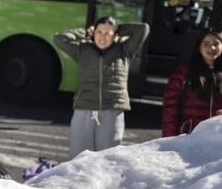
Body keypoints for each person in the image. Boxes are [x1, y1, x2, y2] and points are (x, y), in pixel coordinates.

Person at [53, 17, 150, 158]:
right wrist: (86, 32)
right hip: (83, 110)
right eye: (99, 32)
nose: (102, 37)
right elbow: (60, 39)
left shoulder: (125, 50)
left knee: (106, 160)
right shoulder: (82, 50)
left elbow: (143, 29)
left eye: (108, 33)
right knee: (78, 160)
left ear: (115, 35)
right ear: (94, 33)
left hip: (112, 112)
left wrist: (118, 28)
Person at [161, 29, 222, 136]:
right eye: (206, 44)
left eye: (216, 44)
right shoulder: (184, 73)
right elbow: (170, 108)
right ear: (199, 47)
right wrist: (169, 138)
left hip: (216, 138)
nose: (211, 48)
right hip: (189, 136)